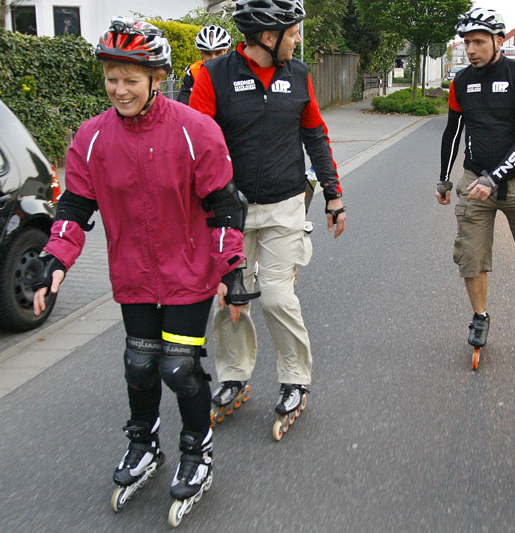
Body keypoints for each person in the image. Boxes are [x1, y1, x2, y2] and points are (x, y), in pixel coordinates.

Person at [31, 17, 254, 520]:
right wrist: (55, 258)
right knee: (139, 364)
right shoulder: (91, 137)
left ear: (157, 78)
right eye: (112, 78)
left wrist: (231, 270)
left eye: (131, 79)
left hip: (189, 272)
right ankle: (144, 444)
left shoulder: (196, 130)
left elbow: (224, 206)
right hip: (132, 274)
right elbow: (74, 207)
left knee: (179, 367)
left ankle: (197, 452)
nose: (119, 89)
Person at [189, 0, 346, 430]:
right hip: (229, 212)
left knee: (278, 297)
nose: (298, 40)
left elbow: (316, 135)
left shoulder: (298, 75)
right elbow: (195, 146)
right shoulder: (214, 76)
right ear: (267, 36)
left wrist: (334, 195)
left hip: (284, 205)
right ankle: (234, 377)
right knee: (231, 298)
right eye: (293, 33)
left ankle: (295, 379)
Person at [437, 7, 515, 353]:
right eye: (467, 42)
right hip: (474, 180)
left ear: (499, 41)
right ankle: (480, 317)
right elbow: (453, 132)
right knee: (471, 255)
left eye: (478, 41)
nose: (471, 49)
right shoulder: (461, 81)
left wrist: (496, 177)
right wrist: (444, 179)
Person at [176, 25, 233, 105]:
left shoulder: (236, 69)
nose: (213, 58)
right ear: (201, 53)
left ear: (226, 51)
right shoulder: (194, 72)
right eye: (208, 54)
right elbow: (184, 104)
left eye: (218, 53)